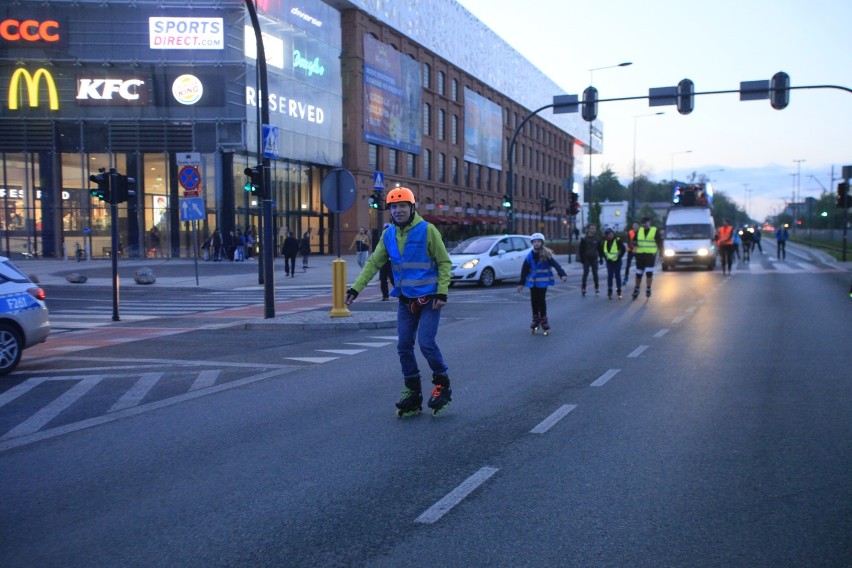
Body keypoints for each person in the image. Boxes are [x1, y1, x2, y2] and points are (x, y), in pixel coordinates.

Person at [345, 187, 453, 417]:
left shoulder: (427, 230)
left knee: (426, 343)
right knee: (404, 345)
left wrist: (442, 292)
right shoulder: (389, 235)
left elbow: (444, 262)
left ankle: (442, 384)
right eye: (394, 207)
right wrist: (356, 288)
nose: (398, 210)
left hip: (430, 299)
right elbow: (373, 263)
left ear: (412, 207)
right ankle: (413, 391)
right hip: (405, 300)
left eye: (403, 205)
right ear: (390, 211)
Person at [516, 232, 567, 335]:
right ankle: (535, 318)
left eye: (538, 241)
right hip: (532, 283)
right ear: (532, 243)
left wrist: (562, 274)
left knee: (541, 300)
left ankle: (543, 319)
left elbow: (555, 265)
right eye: (534, 242)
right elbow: (524, 269)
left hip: (543, 282)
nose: (536, 243)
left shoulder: (546, 255)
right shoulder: (529, 256)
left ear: (542, 242)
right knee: (534, 300)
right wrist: (521, 283)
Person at [631, 217, 662, 299]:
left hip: (650, 255)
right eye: (643, 223)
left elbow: (660, 243)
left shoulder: (654, 231)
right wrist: (634, 246)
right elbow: (634, 240)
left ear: (649, 222)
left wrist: (661, 254)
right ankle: (637, 288)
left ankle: (648, 288)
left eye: (646, 223)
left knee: (649, 273)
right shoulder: (639, 231)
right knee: (638, 273)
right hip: (640, 255)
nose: (644, 224)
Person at [600, 227, 626, 299]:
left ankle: (619, 290)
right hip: (609, 262)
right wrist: (606, 259)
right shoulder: (605, 242)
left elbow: (623, 250)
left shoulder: (618, 240)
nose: (610, 235)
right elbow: (604, 252)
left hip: (617, 261)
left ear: (613, 234)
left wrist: (619, 257)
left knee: (617, 276)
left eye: (611, 233)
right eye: (608, 234)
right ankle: (610, 290)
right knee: (610, 276)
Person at [578, 224, 601, 296]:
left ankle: (596, 288)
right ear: (588, 229)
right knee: (585, 273)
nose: (593, 230)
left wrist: (601, 258)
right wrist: (582, 259)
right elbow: (581, 250)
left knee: (595, 274)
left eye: (594, 228)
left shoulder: (597, 239)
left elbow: (600, 249)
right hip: (586, 258)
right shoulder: (584, 239)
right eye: (592, 228)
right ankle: (583, 288)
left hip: (594, 257)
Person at [378, 223, 395, 300]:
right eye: (385, 228)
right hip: (383, 261)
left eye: (388, 228)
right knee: (383, 279)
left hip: (392, 262)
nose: (386, 230)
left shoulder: (394, 238)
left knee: (393, 278)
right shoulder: (382, 238)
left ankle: (401, 293)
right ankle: (385, 296)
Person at [622, 221, 638, 286]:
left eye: (636, 225)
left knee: (639, 265)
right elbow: (628, 242)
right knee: (628, 265)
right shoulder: (630, 232)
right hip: (630, 251)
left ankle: (638, 277)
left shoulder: (640, 232)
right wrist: (632, 249)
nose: (635, 227)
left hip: (638, 251)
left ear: (638, 226)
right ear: (632, 226)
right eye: (634, 225)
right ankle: (625, 278)